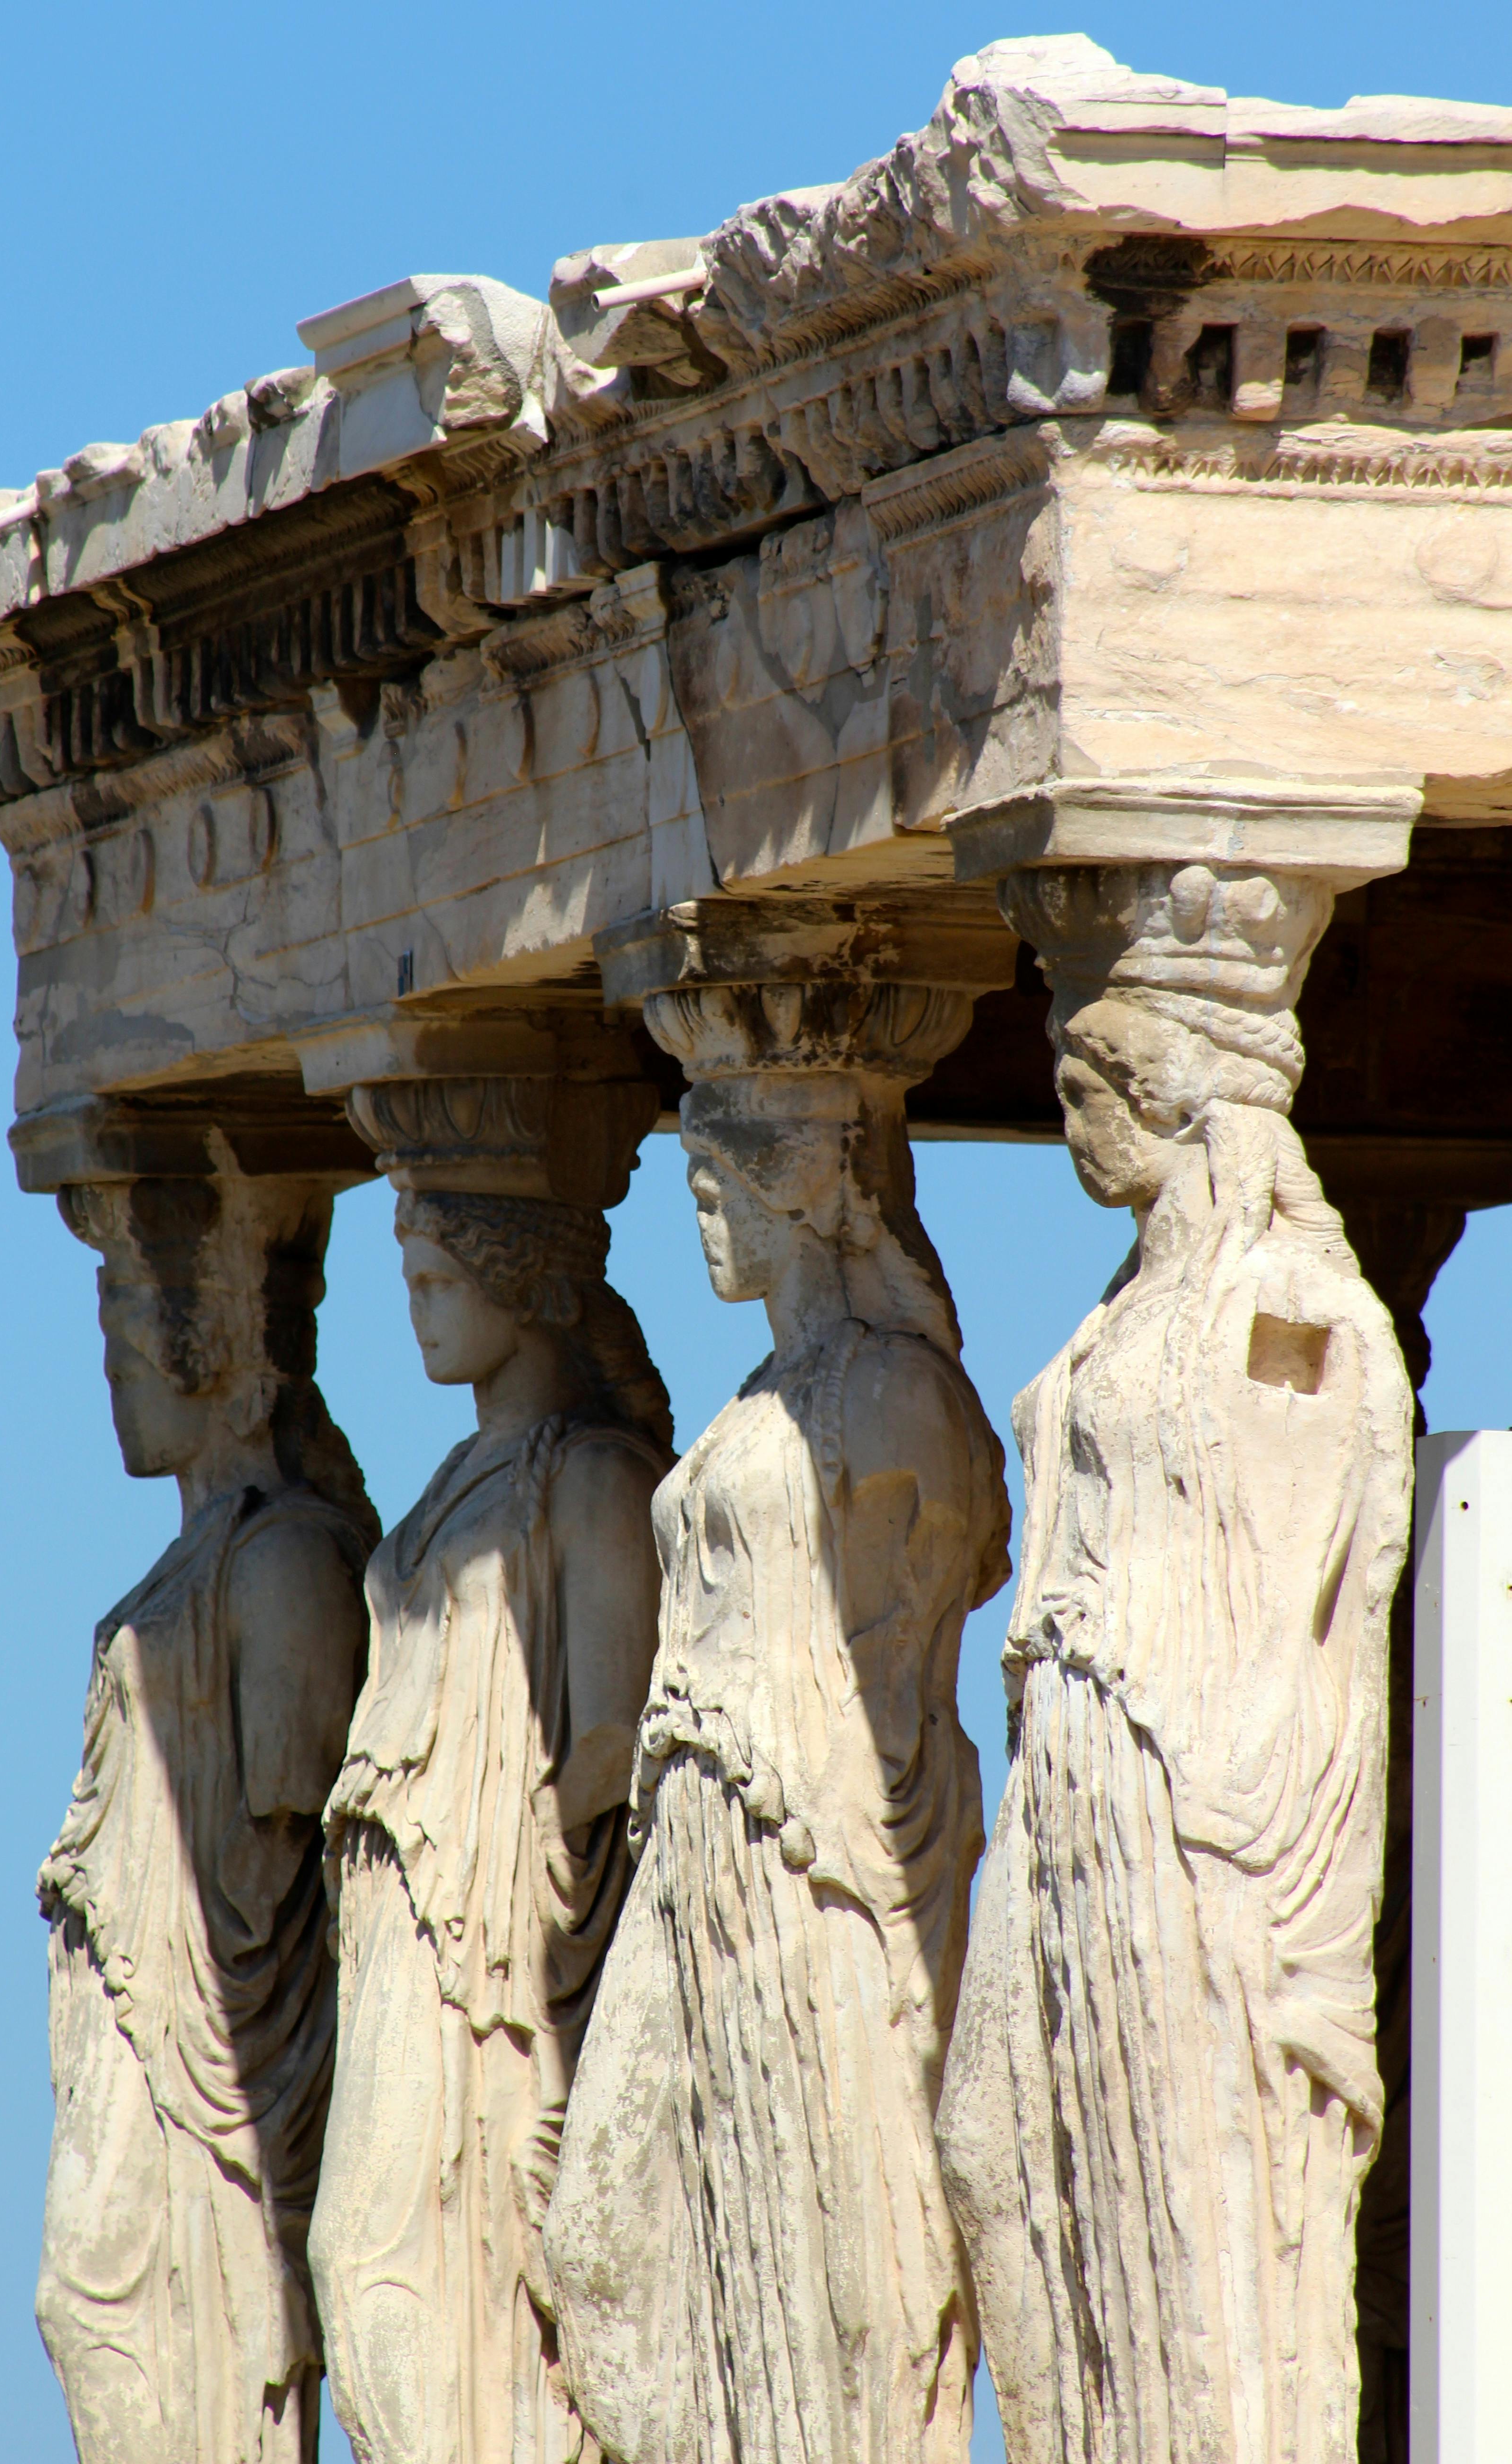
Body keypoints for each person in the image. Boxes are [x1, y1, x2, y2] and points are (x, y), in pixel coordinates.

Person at [938, 864, 1414, 2464]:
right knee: (999, 2148)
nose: (1069, 1114)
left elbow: (1324, 1585)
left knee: (1172, 2182)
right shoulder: (1126, 1303)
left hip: (1181, 1805)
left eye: (1090, 1079)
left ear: (1176, 1088)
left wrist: (1232, 1815)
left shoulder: (1291, 1305)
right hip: (1072, 1769)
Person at [549, 986, 1011, 2464]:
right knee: (603, 2250)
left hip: (810, 1849)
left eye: (715, 1185)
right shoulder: (764, 1393)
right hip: (697, 1839)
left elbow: (924, 1631)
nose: (701, 1220)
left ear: (795, 1189)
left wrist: (861, 1866)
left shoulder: (892, 1392)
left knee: (832, 2250)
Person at [309, 1186, 672, 2464]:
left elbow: (614, 1744)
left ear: (521, 1284)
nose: (413, 1315)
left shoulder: (593, 1478)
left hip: (497, 1944)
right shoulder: (458, 1474)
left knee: (393, 2264)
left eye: (436, 1284)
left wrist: (535, 1880)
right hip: (409, 1920)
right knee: (365, 2261)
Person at [38, 1168, 377, 2464]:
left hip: (217, 2040)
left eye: (131, 1339)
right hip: (138, 2002)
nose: (113, 1375)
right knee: (89, 2309)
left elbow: (292, 1840)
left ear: (208, 1347)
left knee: (118, 2306)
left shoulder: (285, 1557)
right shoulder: (203, 1552)